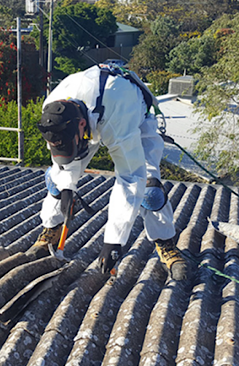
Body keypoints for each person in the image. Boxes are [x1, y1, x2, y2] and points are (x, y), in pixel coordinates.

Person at [32, 64, 188, 280]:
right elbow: (62, 162)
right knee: (56, 181)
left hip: (132, 116)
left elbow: (130, 178)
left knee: (150, 192)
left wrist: (113, 240)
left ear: (83, 126)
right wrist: (66, 187)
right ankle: (51, 229)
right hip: (93, 110)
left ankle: (166, 245)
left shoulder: (118, 121)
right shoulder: (51, 109)